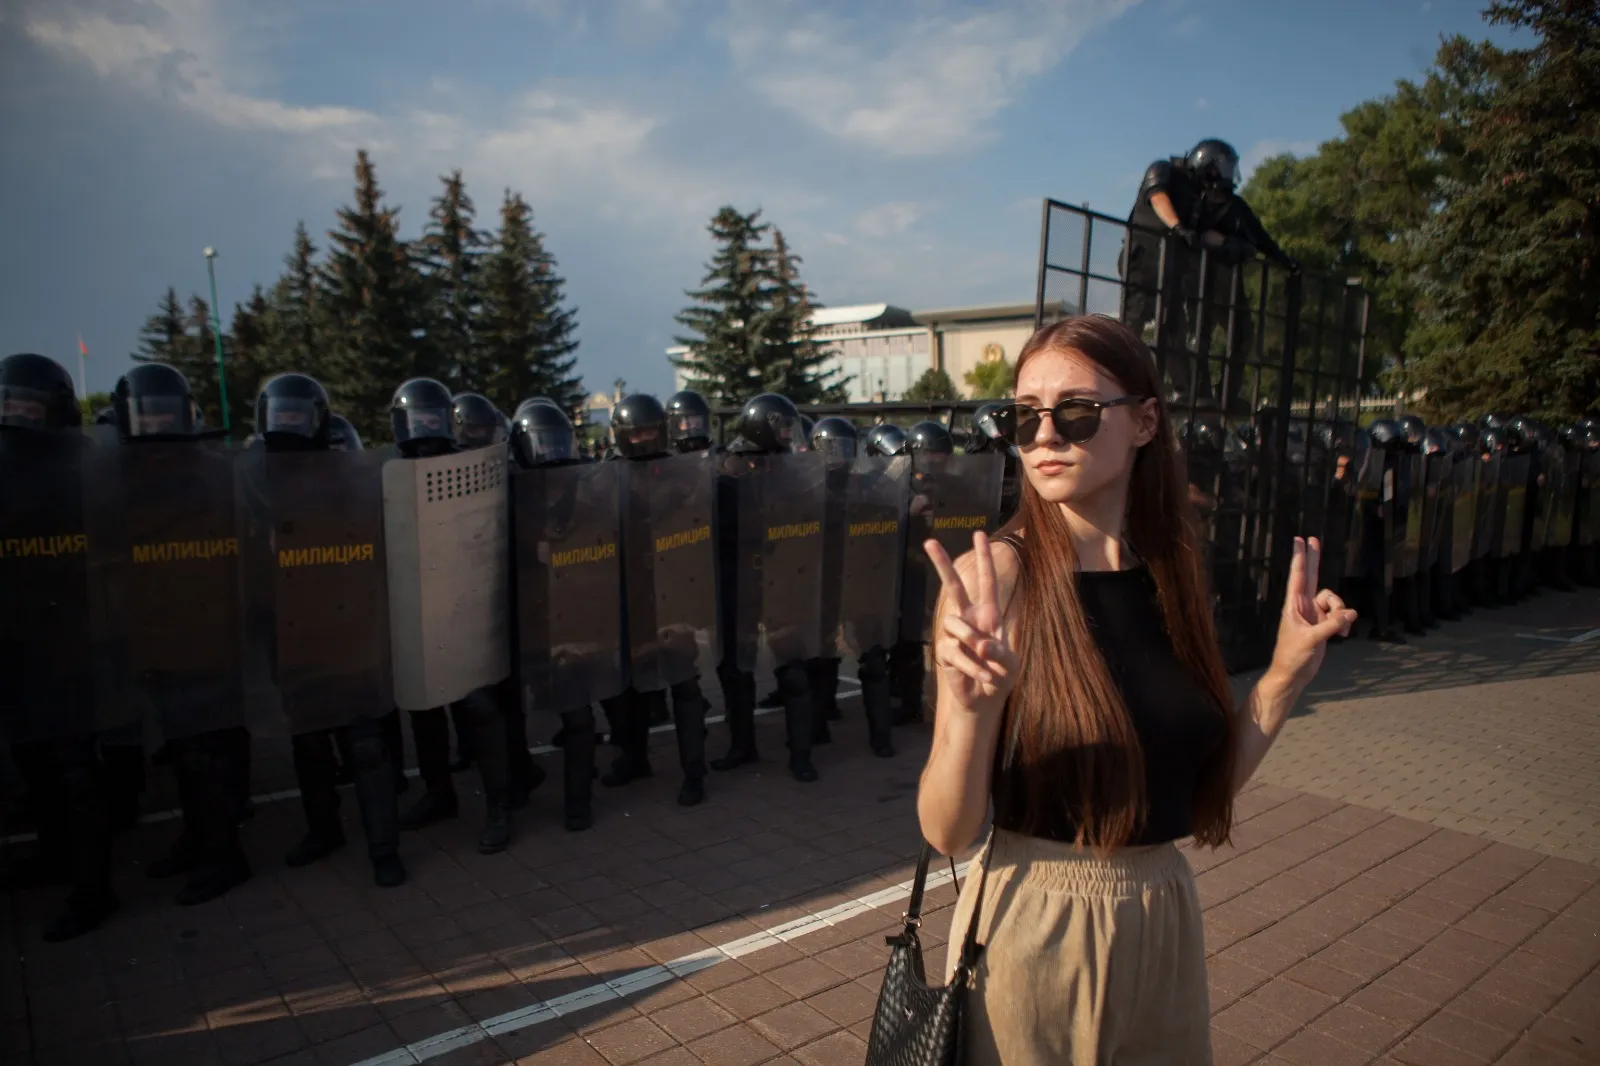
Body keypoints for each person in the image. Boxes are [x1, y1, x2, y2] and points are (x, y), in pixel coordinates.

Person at [917, 315, 1353, 1064]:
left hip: (1164, 910)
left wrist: (1283, 677)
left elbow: (1197, 794)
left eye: (1076, 411)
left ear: (1145, 420)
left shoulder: (1168, 571)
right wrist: (965, 707)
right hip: (1037, 922)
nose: (1045, 435)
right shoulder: (999, 583)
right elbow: (947, 831)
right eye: (1024, 416)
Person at [255, 373, 406, 887]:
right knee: (310, 742)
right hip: (297, 633)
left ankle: (383, 847)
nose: (289, 424)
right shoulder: (257, 482)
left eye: (298, 415)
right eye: (282, 414)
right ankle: (324, 831)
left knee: (365, 744)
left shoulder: (355, 480)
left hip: (352, 628)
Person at [113, 363, 255, 905]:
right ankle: (199, 840)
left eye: (162, 412)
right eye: (144, 413)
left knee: (207, 753)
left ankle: (223, 854)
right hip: (159, 636)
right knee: (183, 750)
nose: (154, 424)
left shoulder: (215, 473)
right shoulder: (124, 478)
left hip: (212, 636)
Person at [0, 352, 120, 940]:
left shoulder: (87, 468)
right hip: (21, 642)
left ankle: (93, 888)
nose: (21, 415)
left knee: (76, 771)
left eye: (31, 403)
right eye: (12, 403)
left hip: (75, 642)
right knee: (36, 763)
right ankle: (53, 856)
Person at [389, 378, 515, 854]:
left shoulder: (473, 469)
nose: (423, 428)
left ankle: (500, 805)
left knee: (478, 708)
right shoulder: (391, 474)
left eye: (430, 418)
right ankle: (439, 793)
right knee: (423, 709)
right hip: (415, 609)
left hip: (466, 607)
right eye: (415, 419)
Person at [1121, 138, 1298, 416]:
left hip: (1172, 270)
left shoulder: (1199, 198)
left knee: (1173, 328)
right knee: (1132, 325)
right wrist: (1178, 226)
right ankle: (1119, 382)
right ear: (1206, 163)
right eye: (1223, 167)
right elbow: (1157, 196)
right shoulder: (1164, 170)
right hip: (1142, 263)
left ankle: (1183, 390)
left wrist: (1246, 248)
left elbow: (1209, 233)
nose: (1227, 175)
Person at [597, 393, 712, 806]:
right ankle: (633, 758)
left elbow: (699, 532)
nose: (645, 438)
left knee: (683, 686)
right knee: (628, 689)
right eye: (638, 431)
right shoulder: (608, 475)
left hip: (675, 593)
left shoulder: (685, 474)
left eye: (652, 430)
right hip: (631, 598)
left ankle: (694, 772)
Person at [711, 392, 820, 783]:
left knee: (792, 668)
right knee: (735, 668)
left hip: (783, 580)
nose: (789, 433)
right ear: (762, 426)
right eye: (783, 425)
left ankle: (801, 755)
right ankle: (742, 745)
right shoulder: (729, 471)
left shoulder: (792, 470)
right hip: (740, 580)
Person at [509, 398, 602, 830]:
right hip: (520, 625)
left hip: (572, 622)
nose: (549, 451)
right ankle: (517, 781)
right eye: (539, 442)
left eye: (555, 441)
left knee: (579, 717)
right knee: (507, 717)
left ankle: (578, 801)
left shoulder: (588, 495)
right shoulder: (504, 495)